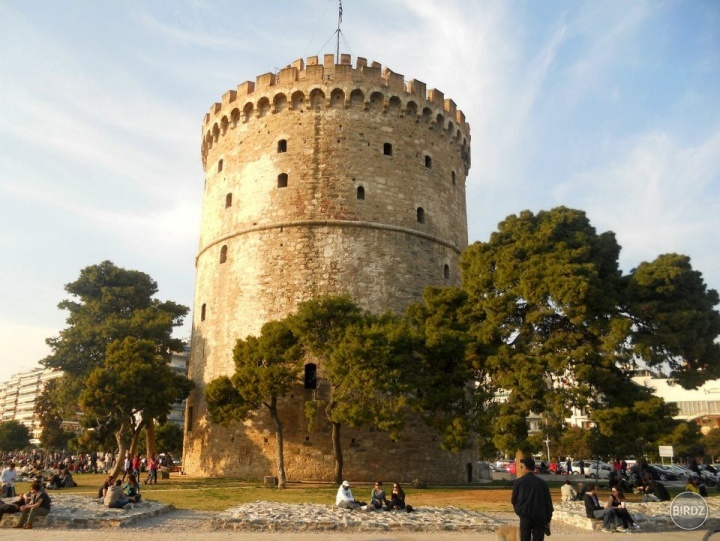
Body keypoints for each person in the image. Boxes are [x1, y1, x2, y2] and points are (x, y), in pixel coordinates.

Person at [511, 457, 553, 540]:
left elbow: (514, 500)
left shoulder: (518, 482)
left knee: (525, 538)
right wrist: (548, 518)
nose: (521, 468)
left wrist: (519, 512)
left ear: (525, 467)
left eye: (522, 466)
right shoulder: (542, 483)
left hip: (525, 515)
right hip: (540, 516)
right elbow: (548, 502)